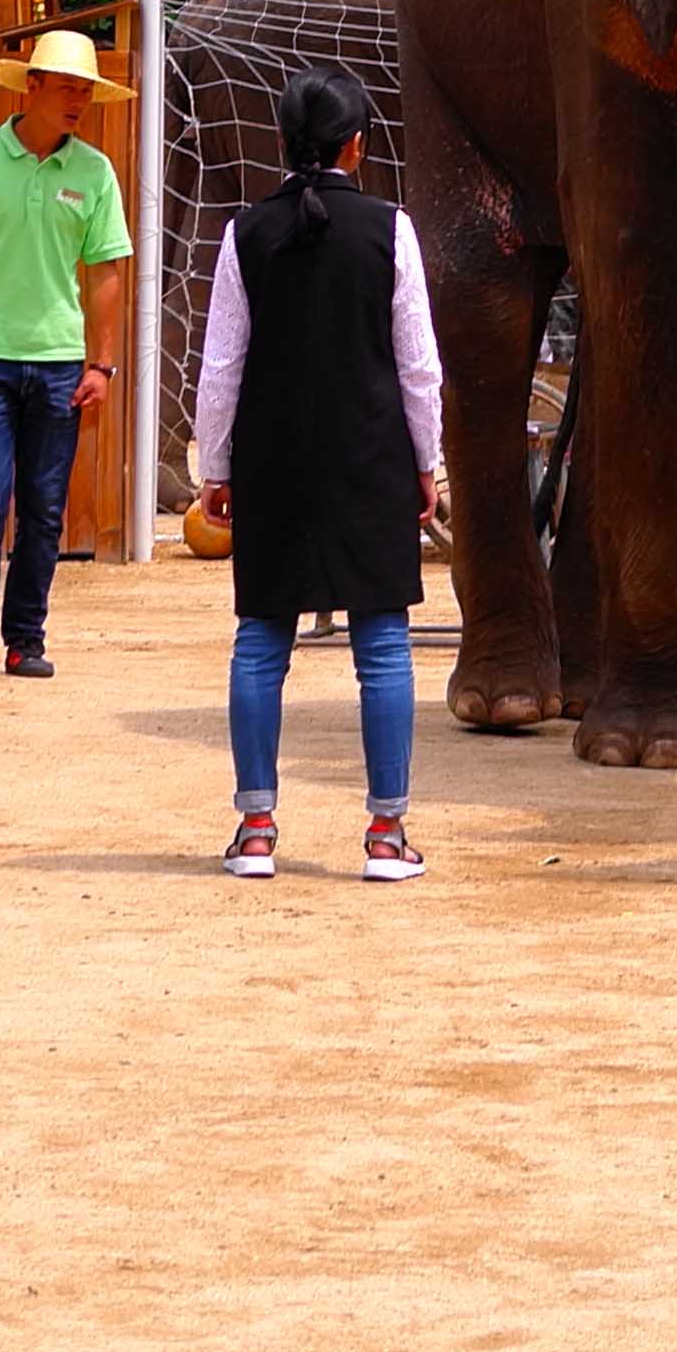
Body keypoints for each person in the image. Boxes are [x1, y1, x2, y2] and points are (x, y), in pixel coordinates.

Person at [193, 67, 448, 883]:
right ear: (358, 146)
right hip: (370, 455)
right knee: (383, 643)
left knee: (261, 639)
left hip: (273, 459)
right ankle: (386, 835)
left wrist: (215, 465)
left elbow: (221, 365)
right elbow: (418, 366)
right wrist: (427, 460)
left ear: (283, 142)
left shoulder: (245, 233)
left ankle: (255, 829)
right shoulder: (390, 230)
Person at [0, 26, 136, 682]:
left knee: (44, 508)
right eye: (68, 87)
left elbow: (106, 272)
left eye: (86, 91)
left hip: (60, 363)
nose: (78, 101)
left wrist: (102, 364)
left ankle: (26, 637)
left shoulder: (95, 173)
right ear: (33, 86)